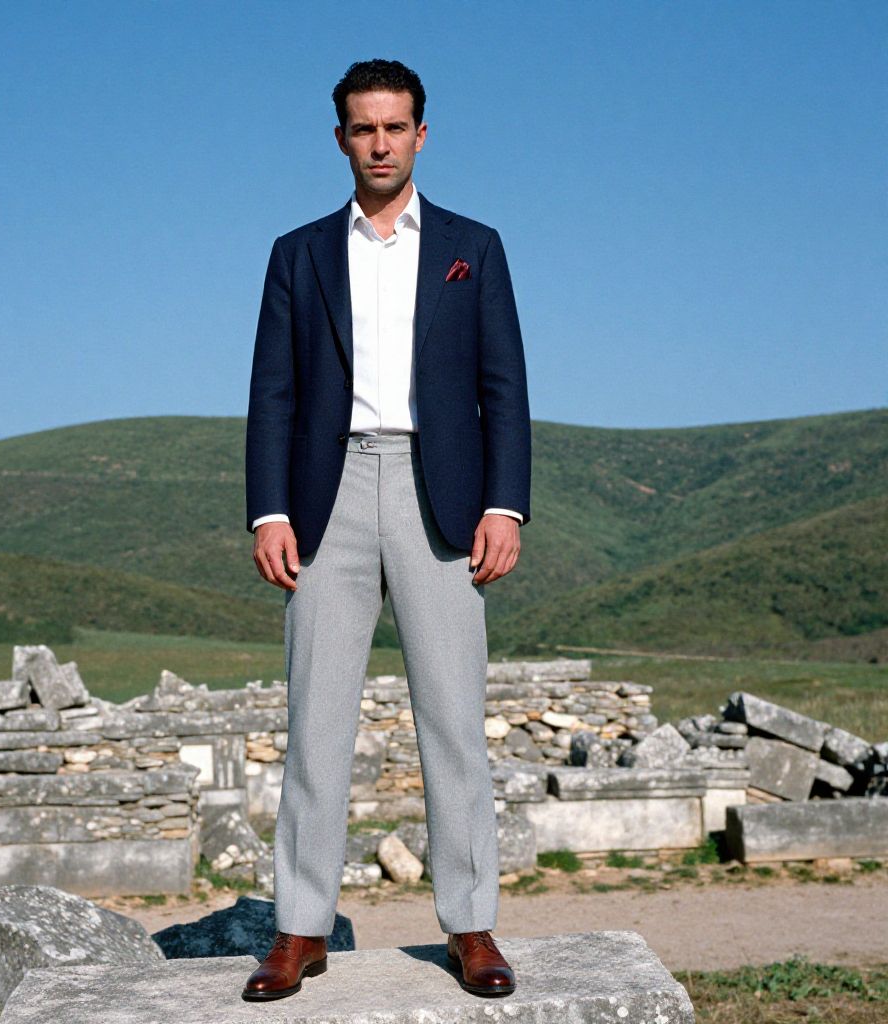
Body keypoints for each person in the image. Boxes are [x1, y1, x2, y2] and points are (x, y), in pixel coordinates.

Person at [242, 58, 531, 1001]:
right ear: (340, 139)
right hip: (323, 501)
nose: (379, 143)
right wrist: (269, 510)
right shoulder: (297, 254)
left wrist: (504, 503)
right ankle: (299, 930)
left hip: (438, 496)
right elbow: (272, 393)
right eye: (363, 128)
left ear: (420, 135)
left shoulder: (473, 248)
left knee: (453, 719)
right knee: (314, 722)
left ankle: (472, 927)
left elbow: (504, 385)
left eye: (395, 127)